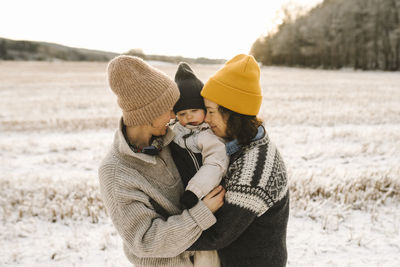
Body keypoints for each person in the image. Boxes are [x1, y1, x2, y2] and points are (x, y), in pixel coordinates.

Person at [98, 55, 225, 267]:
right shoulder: (115, 172)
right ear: (148, 113)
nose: (173, 114)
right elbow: (145, 241)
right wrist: (201, 213)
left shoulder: (170, 140)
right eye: (168, 108)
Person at [187, 54, 290, 267]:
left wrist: (162, 238)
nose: (206, 119)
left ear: (233, 114)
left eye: (212, 112)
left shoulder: (254, 170)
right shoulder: (246, 142)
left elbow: (219, 235)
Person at [170, 62, 229, 210]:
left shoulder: (208, 135)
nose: (189, 116)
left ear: (204, 109)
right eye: (182, 113)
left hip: (203, 194)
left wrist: (194, 192)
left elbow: (215, 164)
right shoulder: (176, 129)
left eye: (195, 110)